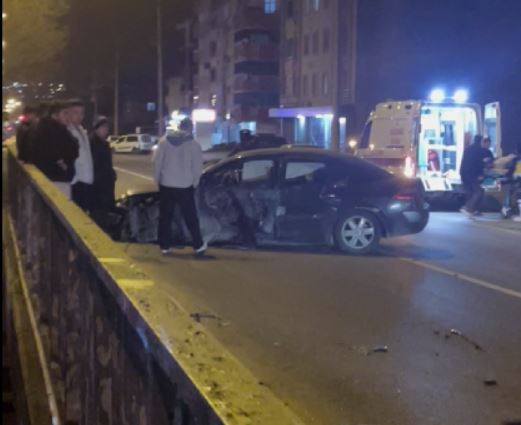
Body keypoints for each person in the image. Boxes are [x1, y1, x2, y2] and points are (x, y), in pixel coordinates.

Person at [153, 118, 206, 255]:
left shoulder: (164, 142)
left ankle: (164, 246)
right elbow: (197, 168)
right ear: (190, 128)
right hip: (185, 185)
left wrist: (157, 180)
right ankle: (198, 245)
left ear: (180, 127)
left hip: (166, 184)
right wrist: (194, 183)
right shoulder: (194, 145)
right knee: (190, 216)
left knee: (165, 217)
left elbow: (157, 163)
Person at [33, 101, 79, 199]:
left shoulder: (55, 128)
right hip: (57, 178)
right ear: (55, 115)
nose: (68, 117)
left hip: (58, 177)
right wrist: (64, 165)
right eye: (65, 113)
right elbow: (61, 152)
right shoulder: (53, 130)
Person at [68, 99, 94, 212]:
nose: (79, 116)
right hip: (76, 181)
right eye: (75, 112)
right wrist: (74, 180)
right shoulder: (68, 131)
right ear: (69, 113)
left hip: (86, 180)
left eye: (81, 113)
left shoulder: (82, 131)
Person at [89, 116, 117, 221]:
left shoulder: (105, 143)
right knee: (98, 214)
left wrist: (112, 174)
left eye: (106, 127)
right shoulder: (92, 143)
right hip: (98, 186)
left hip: (107, 184)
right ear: (96, 128)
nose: (105, 129)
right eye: (103, 127)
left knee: (106, 212)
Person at [459, 135, 493, 217]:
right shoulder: (480, 150)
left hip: (464, 173)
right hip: (472, 174)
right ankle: (468, 208)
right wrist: (480, 174)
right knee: (479, 192)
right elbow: (478, 164)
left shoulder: (468, 149)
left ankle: (473, 210)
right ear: (482, 141)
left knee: (471, 191)